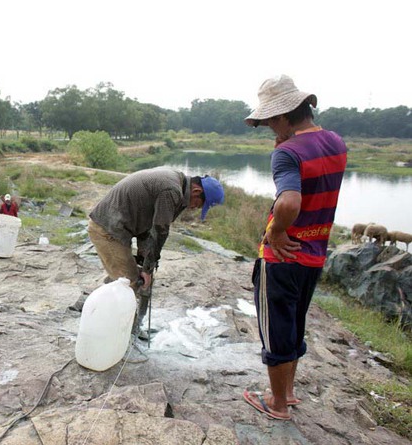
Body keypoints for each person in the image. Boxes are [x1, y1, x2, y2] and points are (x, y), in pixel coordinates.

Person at [242, 75, 347, 421]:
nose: (270, 128)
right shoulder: (335, 142)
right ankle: (288, 392)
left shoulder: (288, 152)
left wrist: (275, 231)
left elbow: (288, 201)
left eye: (272, 120)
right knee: (296, 322)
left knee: (276, 330)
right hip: (314, 254)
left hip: (283, 257)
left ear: (285, 115)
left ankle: (276, 405)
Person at [87, 166, 224, 332]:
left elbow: (148, 228)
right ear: (196, 191)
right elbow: (160, 230)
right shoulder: (171, 190)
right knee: (130, 282)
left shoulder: (177, 184)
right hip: (107, 230)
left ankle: (113, 312)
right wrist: (147, 267)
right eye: (200, 204)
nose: (195, 208)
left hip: (119, 227)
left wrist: (145, 264)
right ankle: (124, 332)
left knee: (138, 277)